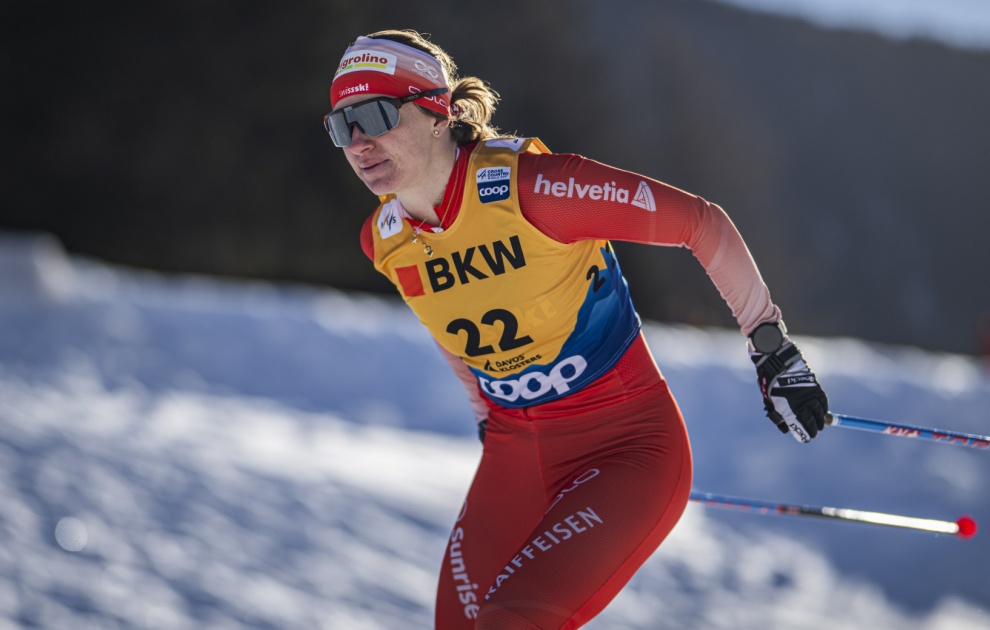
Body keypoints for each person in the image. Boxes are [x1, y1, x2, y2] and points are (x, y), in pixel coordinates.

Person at [324, 29, 829, 630]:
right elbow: (447, 321)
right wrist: (483, 410)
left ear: (438, 111)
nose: (358, 142)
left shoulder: (537, 188)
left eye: (375, 115)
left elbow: (702, 224)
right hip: (516, 453)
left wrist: (772, 350)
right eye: (341, 126)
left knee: (510, 622)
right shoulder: (384, 240)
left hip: (625, 448)